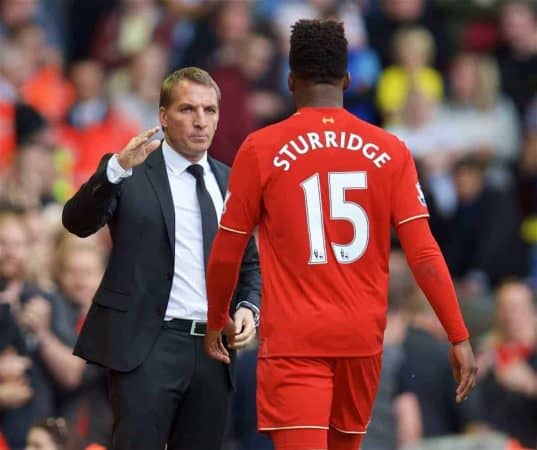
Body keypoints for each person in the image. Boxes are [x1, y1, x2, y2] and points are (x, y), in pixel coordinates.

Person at [204, 19, 477, 450]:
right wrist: (458, 335)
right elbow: (423, 252)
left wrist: (216, 317)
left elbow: (227, 251)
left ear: (290, 79)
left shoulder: (261, 148)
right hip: (361, 343)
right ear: (348, 79)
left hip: (295, 342)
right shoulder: (391, 150)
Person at [62, 67, 261, 450]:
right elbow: (76, 222)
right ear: (163, 116)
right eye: (188, 109)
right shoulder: (131, 169)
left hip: (214, 349)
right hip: (147, 346)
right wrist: (116, 168)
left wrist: (249, 307)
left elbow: (249, 263)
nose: (201, 121)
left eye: (210, 110)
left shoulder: (231, 180)